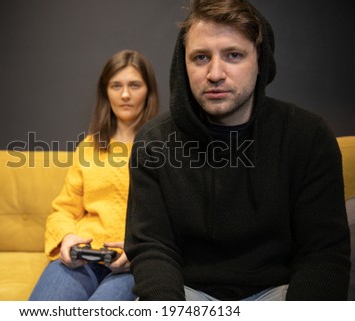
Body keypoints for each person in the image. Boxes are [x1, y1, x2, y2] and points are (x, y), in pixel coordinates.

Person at [124, 0, 351, 301]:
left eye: (233, 55)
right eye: (201, 57)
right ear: (184, 65)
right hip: (187, 294)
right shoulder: (153, 143)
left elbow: (322, 252)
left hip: (280, 293)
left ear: (260, 61)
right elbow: (152, 248)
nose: (215, 73)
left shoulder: (308, 137)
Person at [29, 49, 159, 300]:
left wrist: (138, 251)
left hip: (134, 262)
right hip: (84, 257)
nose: (124, 94)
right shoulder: (89, 146)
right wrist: (67, 238)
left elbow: (175, 221)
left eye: (134, 85)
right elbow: (64, 209)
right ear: (105, 92)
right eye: (116, 85)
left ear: (149, 91)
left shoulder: (164, 146)